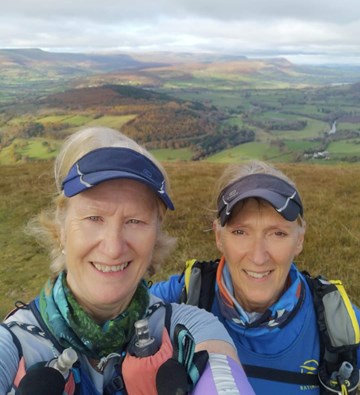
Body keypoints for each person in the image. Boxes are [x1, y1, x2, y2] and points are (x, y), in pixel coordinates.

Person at [0, 127, 255, 395]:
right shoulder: (13, 344)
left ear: (156, 237)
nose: (113, 248)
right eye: (93, 218)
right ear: (61, 230)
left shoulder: (190, 329)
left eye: (135, 221)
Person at [151, 160, 360, 395]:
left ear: (300, 239)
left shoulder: (340, 326)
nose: (258, 257)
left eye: (277, 233)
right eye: (240, 232)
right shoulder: (180, 298)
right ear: (219, 236)